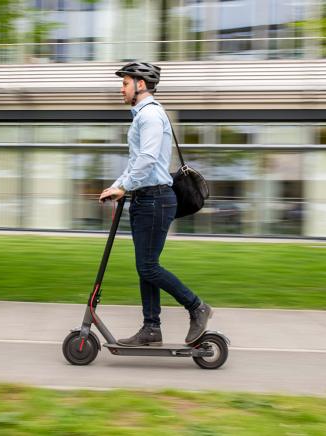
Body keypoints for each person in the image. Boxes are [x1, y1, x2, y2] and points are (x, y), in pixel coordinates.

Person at [98, 61, 212, 347]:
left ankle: (196, 306)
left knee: (148, 267)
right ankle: (151, 328)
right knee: (146, 266)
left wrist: (122, 187)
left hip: (155, 200)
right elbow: (137, 162)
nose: (121, 89)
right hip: (147, 199)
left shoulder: (149, 116)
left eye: (124, 83)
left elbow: (147, 160)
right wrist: (118, 186)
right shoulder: (144, 116)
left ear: (140, 84)